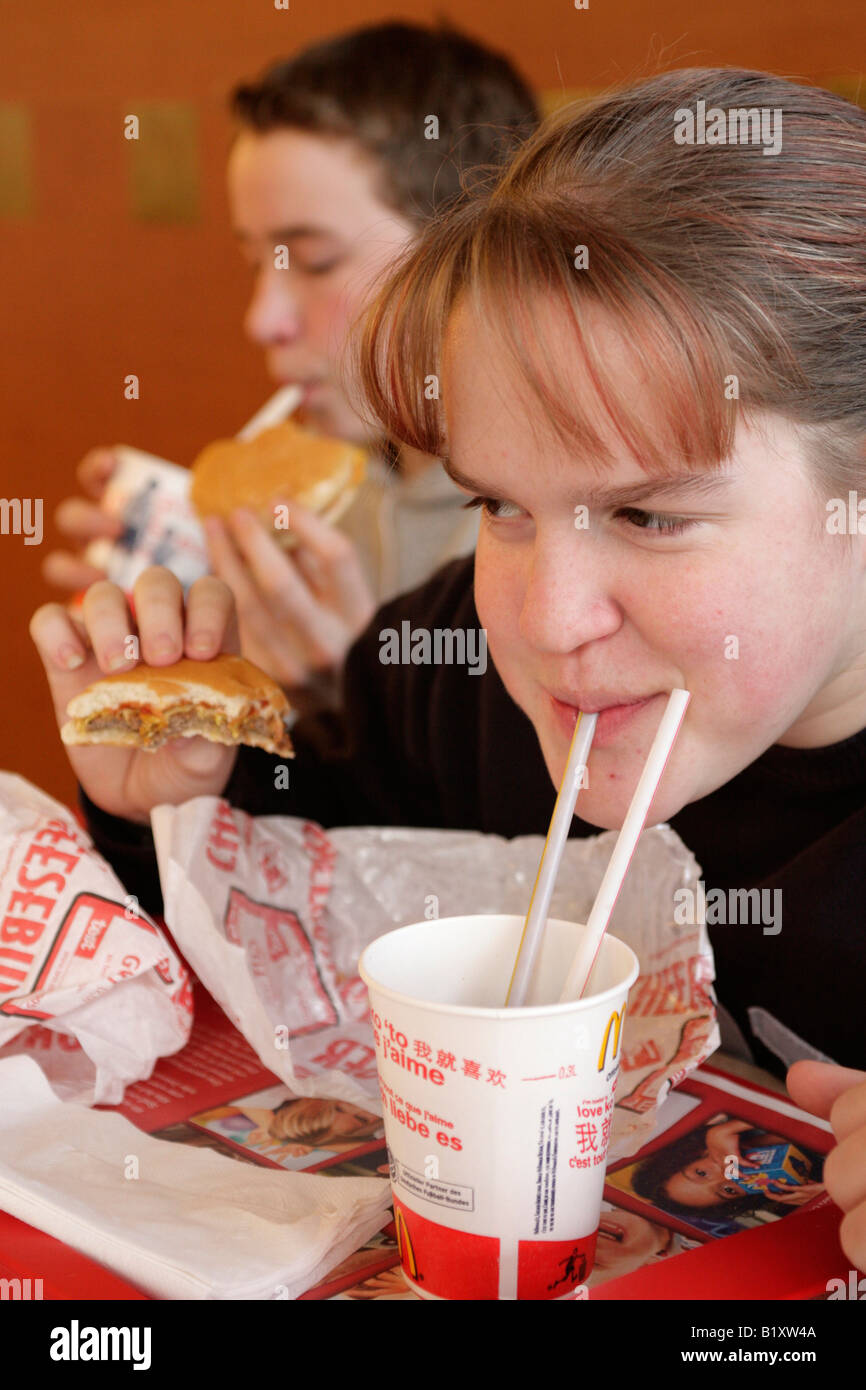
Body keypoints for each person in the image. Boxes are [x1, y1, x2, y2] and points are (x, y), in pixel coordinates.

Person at [30, 67, 866, 1274]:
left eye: (644, 516)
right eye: (498, 504)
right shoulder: (449, 678)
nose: (547, 616)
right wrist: (165, 816)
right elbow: (251, 925)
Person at [42, 22, 539, 707]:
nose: (261, 320)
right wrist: (182, 630)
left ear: (467, 252)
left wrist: (359, 702)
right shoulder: (310, 518)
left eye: (313, 261)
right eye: (258, 263)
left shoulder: (552, 548)